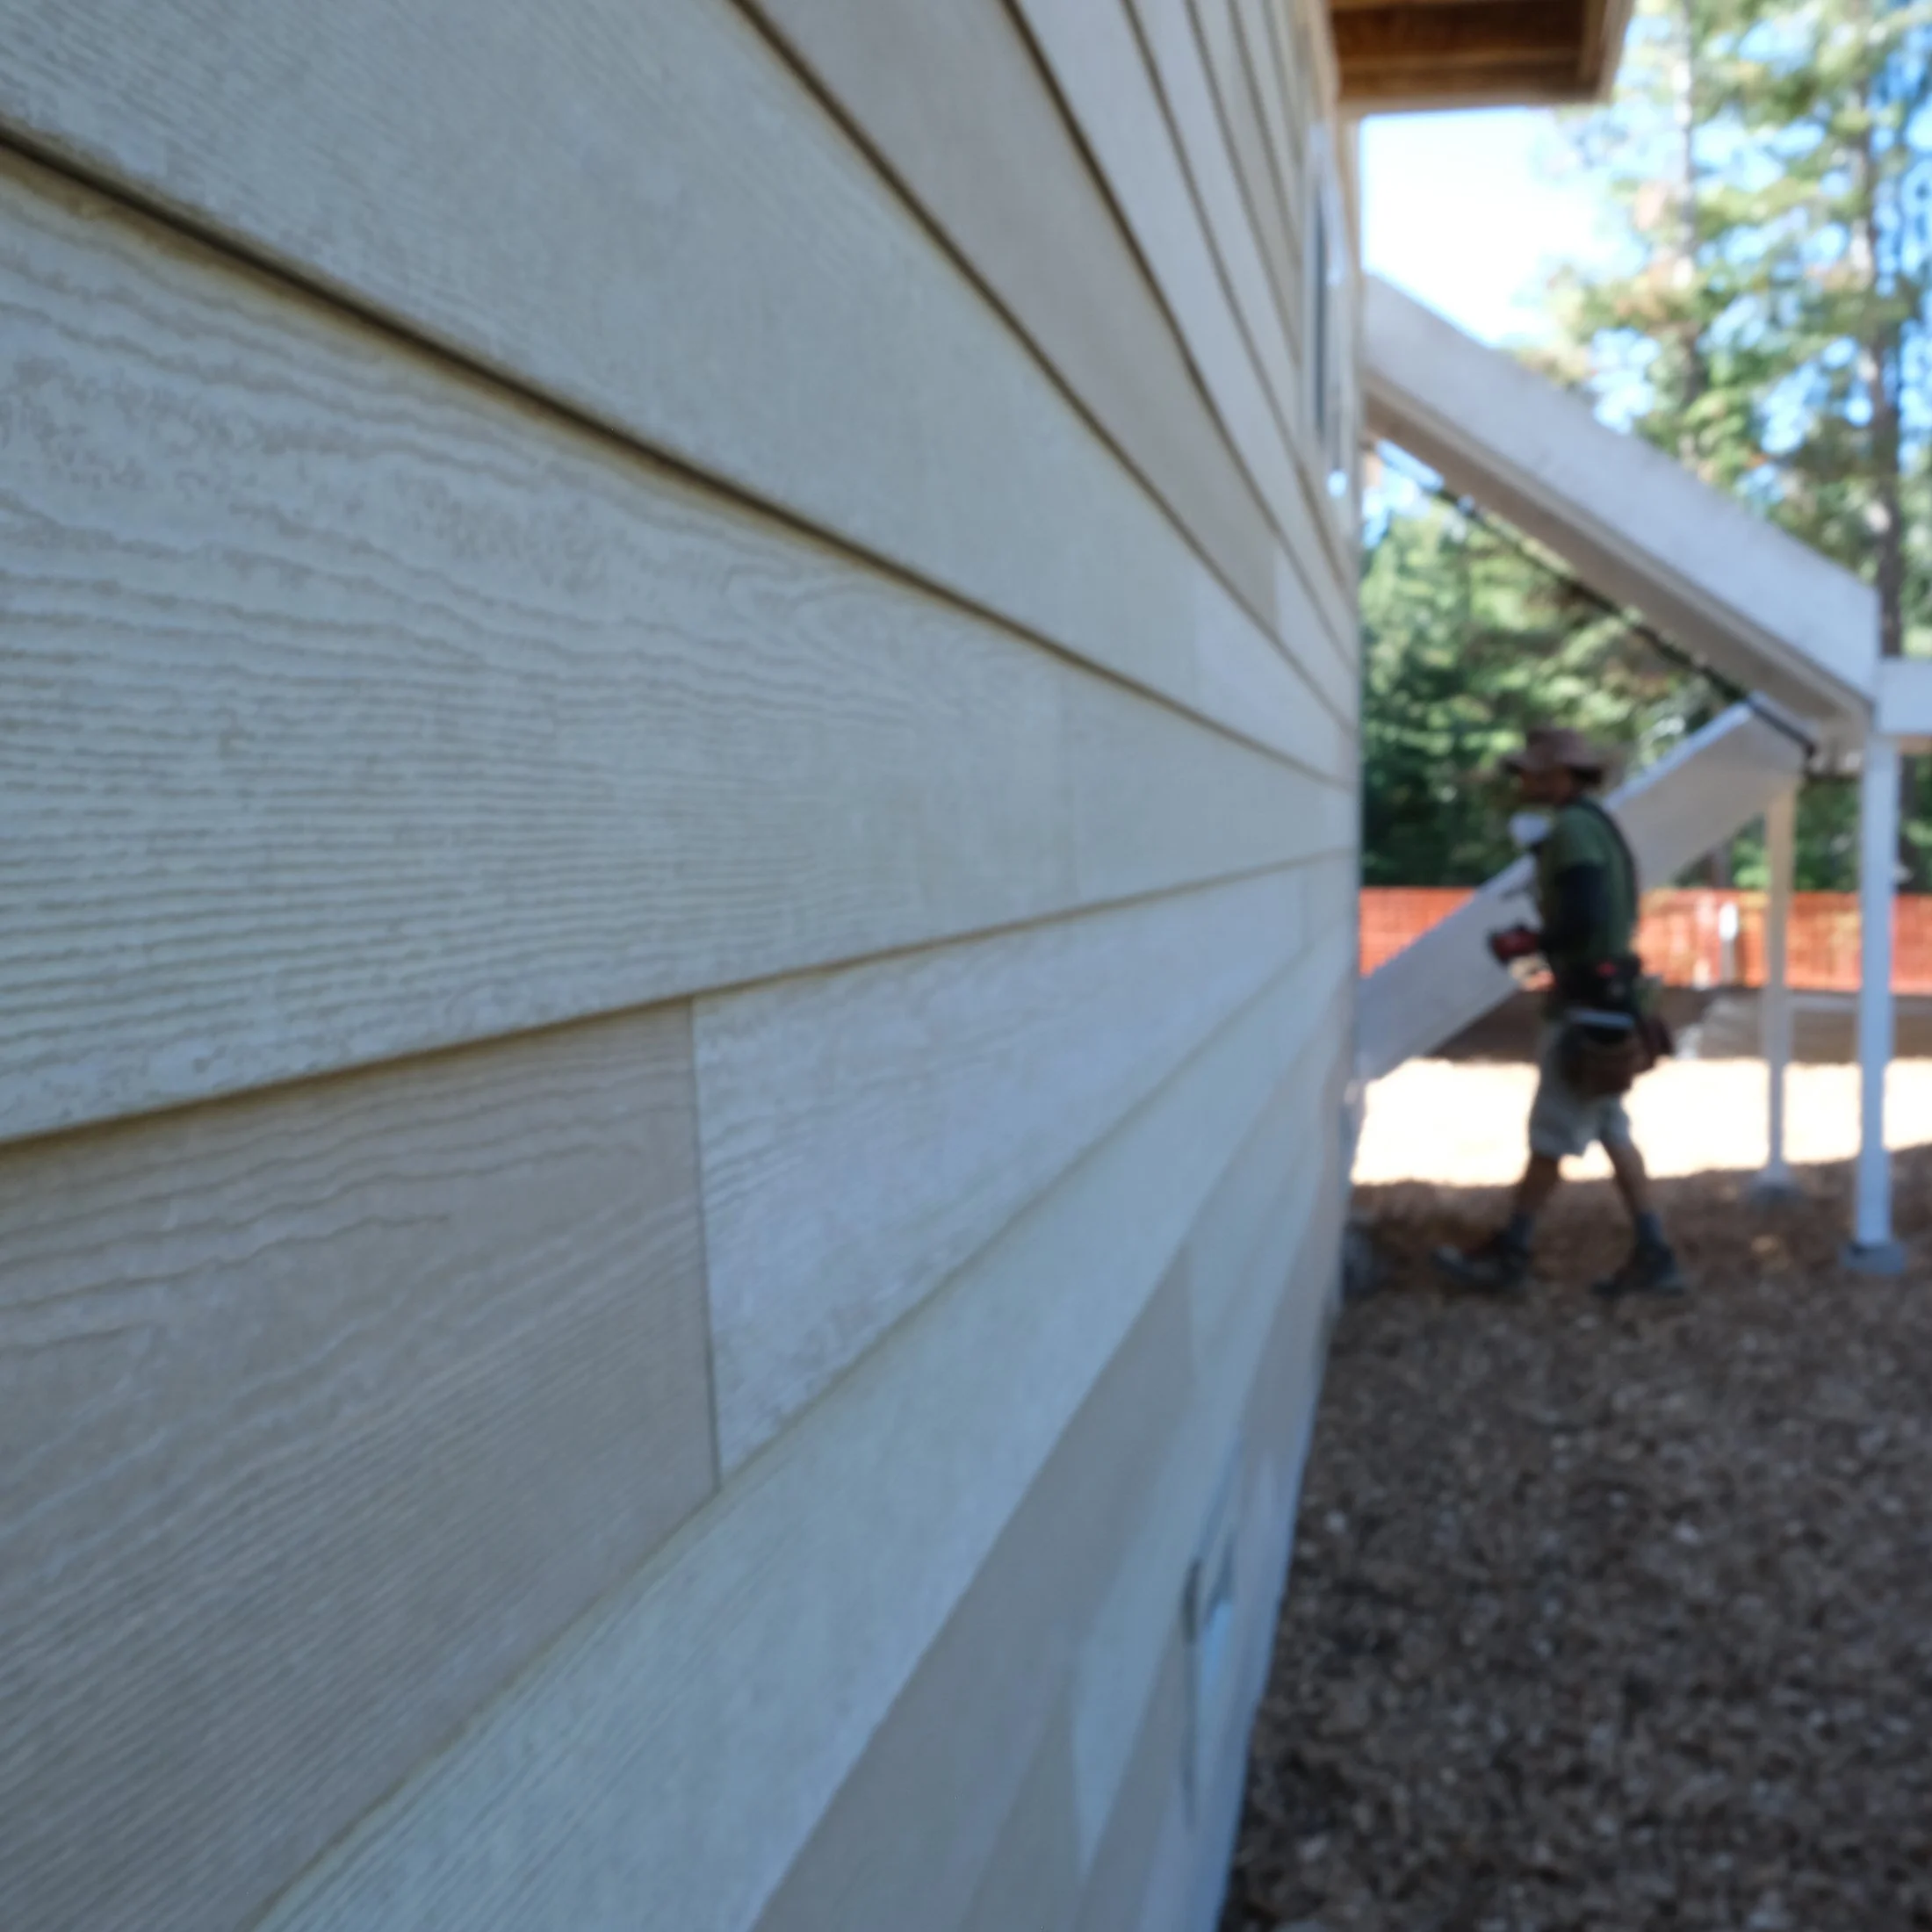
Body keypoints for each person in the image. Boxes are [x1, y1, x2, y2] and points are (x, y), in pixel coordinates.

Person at [1436, 727, 1686, 1300]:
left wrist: (1528, 941)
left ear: (1559, 775)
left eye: (1532, 770)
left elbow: (1584, 913)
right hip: (1610, 1000)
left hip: (1584, 1007)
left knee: (1552, 1130)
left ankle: (1511, 1252)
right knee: (1611, 1127)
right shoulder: (1594, 823)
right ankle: (1656, 1254)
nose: (1523, 780)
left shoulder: (1572, 830)